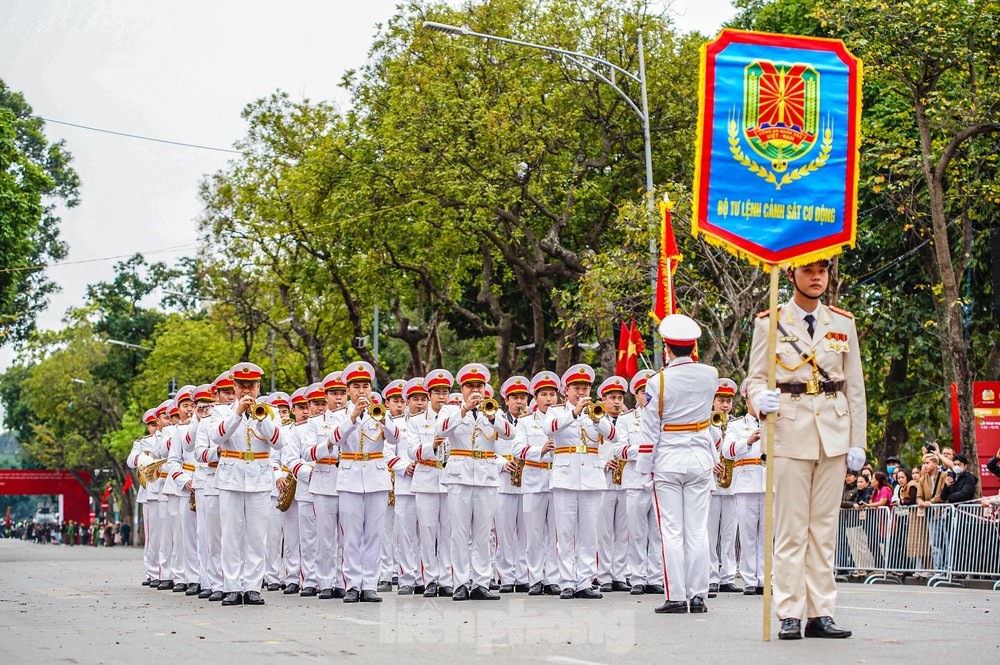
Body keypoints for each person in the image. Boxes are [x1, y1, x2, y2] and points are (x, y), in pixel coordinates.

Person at [748, 259, 866, 639]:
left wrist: (857, 442)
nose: (817, 278)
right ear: (792, 275)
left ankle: (821, 613)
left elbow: (856, 389)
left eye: (823, 271)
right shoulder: (770, 322)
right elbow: (754, 378)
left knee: (824, 529)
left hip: (833, 431)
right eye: (808, 271)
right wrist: (757, 401)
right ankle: (788, 612)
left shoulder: (842, 323)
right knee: (791, 530)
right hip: (789, 432)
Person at [638, 314, 718, 615]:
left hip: (668, 459)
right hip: (699, 457)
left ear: (667, 349)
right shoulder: (710, 374)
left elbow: (650, 430)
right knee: (697, 530)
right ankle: (698, 595)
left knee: (671, 531)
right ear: (693, 346)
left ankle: (675, 595)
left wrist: (645, 468)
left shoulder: (656, 381)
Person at [206, 362, 286, 606]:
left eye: (251, 386)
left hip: (260, 478)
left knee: (256, 536)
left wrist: (260, 419)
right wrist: (238, 413)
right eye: (242, 386)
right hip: (230, 476)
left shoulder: (269, 411)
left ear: (259, 386)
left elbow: (279, 442)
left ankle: (252, 586)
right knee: (230, 534)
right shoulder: (222, 411)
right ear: (234, 386)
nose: (246, 391)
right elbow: (217, 436)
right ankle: (231, 586)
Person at [437, 363, 515, 601]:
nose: (475, 390)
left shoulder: (494, 411)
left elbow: (510, 434)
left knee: (482, 533)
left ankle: (481, 583)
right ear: (462, 388)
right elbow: (441, 430)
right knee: (459, 533)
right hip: (459, 476)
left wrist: (492, 417)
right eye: (470, 386)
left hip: (486, 476)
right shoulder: (449, 410)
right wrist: (463, 410)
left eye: (479, 386)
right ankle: (460, 582)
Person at [328, 362, 402, 603]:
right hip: (349, 477)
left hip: (376, 477)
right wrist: (353, 416)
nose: (361, 391)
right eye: (356, 387)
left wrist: (379, 417)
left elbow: (395, 437)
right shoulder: (339, 415)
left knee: (374, 535)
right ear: (348, 390)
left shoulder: (381, 412)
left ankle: (369, 584)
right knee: (350, 535)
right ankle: (352, 584)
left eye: (365, 386)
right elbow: (335, 440)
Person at [549, 363, 616, 600]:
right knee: (566, 533)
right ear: (565, 390)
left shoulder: (597, 413)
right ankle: (567, 581)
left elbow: (613, 436)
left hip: (591, 478)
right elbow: (550, 429)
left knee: (589, 533)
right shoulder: (556, 411)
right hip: (565, 478)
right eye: (576, 388)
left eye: (585, 388)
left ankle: (585, 580)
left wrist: (597, 419)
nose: (581, 392)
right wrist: (575, 413)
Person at [613, 369, 665, 596]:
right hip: (634, 480)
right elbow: (619, 449)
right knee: (636, 533)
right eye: (644, 392)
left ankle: (655, 577)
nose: (648, 396)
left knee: (658, 533)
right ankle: (637, 577)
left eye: (652, 391)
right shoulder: (625, 420)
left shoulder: (665, 418)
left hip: (659, 480)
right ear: (636, 395)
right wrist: (645, 450)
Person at [511, 371, 562, 596]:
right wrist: (538, 450)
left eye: (552, 394)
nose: (549, 399)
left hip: (558, 479)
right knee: (533, 534)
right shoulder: (525, 422)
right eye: (544, 394)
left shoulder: (565, 418)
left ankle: (552, 577)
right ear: (536, 398)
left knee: (555, 532)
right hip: (533, 479)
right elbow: (516, 448)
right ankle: (535, 577)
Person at [407, 369, 456, 598]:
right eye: (436, 393)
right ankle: (430, 580)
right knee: (427, 532)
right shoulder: (416, 422)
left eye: (445, 392)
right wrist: (432, 446)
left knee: (448, 532)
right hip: (426, 479)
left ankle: (447, 579)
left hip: (448, 481)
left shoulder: (456, 418)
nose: (441, 397)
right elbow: (411, 450)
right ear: (429, 397)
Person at [721, 378, 763, 595]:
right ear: (747, 400)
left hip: (769, 483)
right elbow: (727, 451)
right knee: (747, 536)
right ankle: (749, 580)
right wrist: (747, 442)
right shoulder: (737, 425)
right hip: (746, 483)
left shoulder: (775, 423)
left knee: (767, 535)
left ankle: (765, 579)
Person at [495, 375, 531, 593]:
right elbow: (485, 449)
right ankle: (506, 577)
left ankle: (523, 575)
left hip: (528, 482)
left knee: (526, 534)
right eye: (515, 398)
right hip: (503, 483)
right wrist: (501, 463)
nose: (520, 402)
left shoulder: (532, 421)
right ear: (506, 400)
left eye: (523, 398)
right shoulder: (497, 420)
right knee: (505, 533)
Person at [596, 375, 631, 593]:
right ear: (603, 399)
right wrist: (602, 463)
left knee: (623, 531)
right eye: (612, 398)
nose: (617, 402)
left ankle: (620, 574)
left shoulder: (629, 421)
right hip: (603, 479)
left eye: (619, 398)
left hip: (625, 478)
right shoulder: (595, 419)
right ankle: (603, 575)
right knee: (603, 531)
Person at [283, 386, 320, 597]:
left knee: (326, 537)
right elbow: (290, 458)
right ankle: (300, 578)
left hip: (331, 486)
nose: (307, 411)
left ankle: (326, 578)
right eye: (303, 407)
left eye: (311, 406)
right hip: (304, 486)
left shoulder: (331, 424)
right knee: (301, 537)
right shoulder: (295, 431)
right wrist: (308, 474)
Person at [707, 378, 740, 596]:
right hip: (711, 482)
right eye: (721, 400)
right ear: (713, 402)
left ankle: (728, 576)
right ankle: (710, 576)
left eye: (728, 401)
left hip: (731, 483)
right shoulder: (706, 423)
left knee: (729, 533)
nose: (725, 405)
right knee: (709, 534)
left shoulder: (737, 424)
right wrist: (711, 465)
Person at [916, 454, 948, 571]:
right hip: (932, 515)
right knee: (934, 543)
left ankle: (947, 568)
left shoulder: (944, 475)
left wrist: (931, 501)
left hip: (944, 513)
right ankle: (938, 568)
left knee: (946, 542)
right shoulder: (923, 479)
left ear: (935, 464)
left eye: (927, 463)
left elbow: (944, 494)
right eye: (924, 463)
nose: (925, 466)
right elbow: (919, 496)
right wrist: (920, 502)